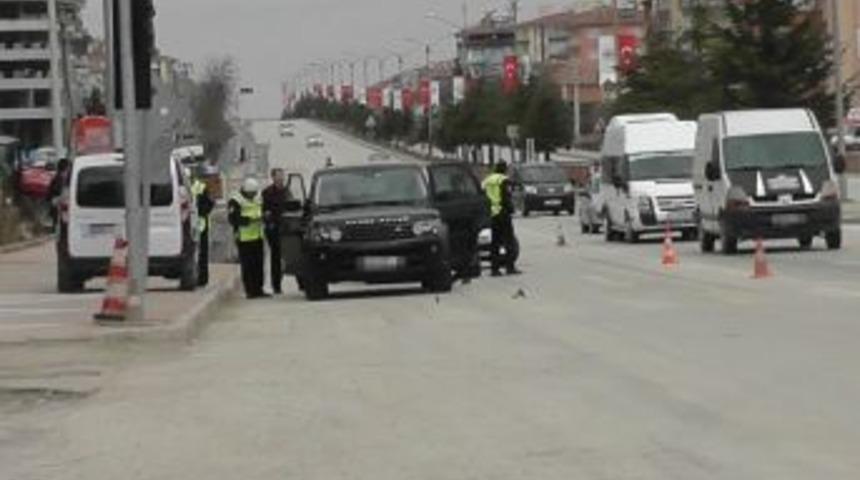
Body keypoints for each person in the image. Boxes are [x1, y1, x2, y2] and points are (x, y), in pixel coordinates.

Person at [228, 178, 268, 299]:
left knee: (259, 264)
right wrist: (249, 221)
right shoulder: (235, 200)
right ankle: (250, 290)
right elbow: (232, 219)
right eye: (250, 193)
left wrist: (265, 217)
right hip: (244, 238)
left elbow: (262, 210)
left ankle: (259, 289)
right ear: (245, 191)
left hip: (257, 236)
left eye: (254, 193)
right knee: (247, 266)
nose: (253, 195)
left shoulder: (258, 198)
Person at [482, 161, 521, 277]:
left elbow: (483, 193)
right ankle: (510, 267)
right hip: (503, 213)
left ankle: (495, 269)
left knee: (495, 243)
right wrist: (511, 209)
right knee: (509, 241)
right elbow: (506, 197)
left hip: (492, 213)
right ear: (504, 169)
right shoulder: (503, 180)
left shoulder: (487, 180)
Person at [262, 168, 289, 295]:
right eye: (278, 176)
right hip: (274, 228)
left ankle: (302, 283)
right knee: (276, 257)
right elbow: (264, 210)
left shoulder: (287, 191)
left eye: (282, 176)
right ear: (273, 177)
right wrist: (269, 221)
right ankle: (276, 285)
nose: (280, 178)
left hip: (287, 227)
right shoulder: (267, 192)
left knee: (292, 253)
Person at [191, 172, 215, 287]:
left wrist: (201, 212)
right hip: (189, 222)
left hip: (201, 223)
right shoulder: (184, 186)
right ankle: (194, 276)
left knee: (202, 252)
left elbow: (210, 203)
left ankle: (202, 278)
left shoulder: (200, 187)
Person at [48, 158, 70, 231]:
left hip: (64, 203)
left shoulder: (67, 177)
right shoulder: (57, 178)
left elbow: (50, 191)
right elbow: (52, 191)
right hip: (60, 203)